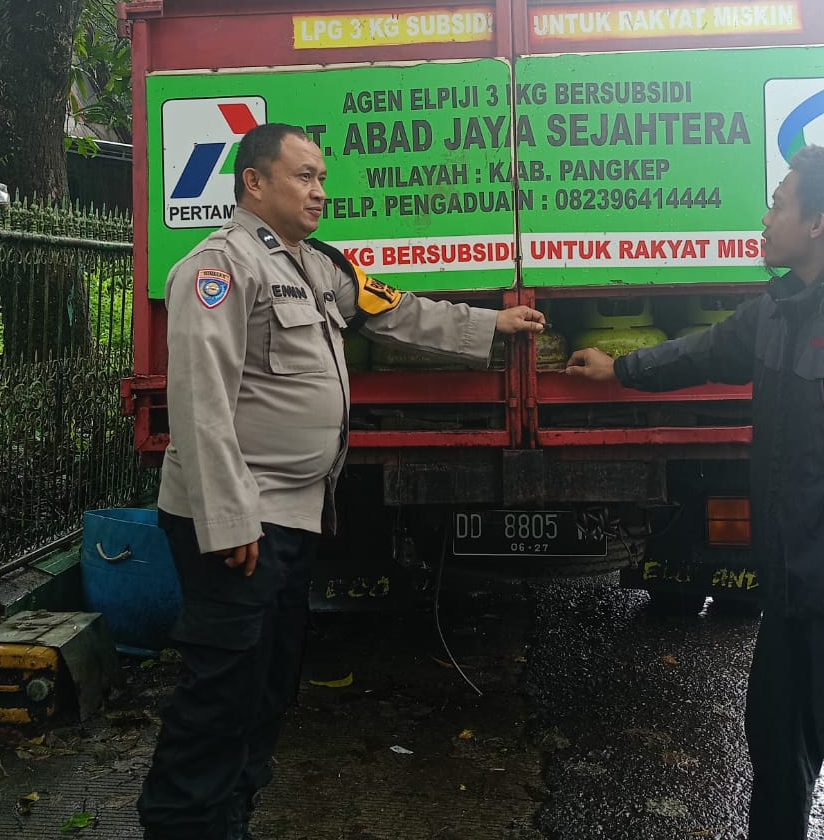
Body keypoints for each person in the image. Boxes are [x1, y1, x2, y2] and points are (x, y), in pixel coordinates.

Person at [138, 123, 545, 840]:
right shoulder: (219, 266)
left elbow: (396, 312)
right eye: (303, 176)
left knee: (267, 689)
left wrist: (490, 325)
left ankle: (228, 821)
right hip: (242, 523)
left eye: (322, 177)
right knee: (220, 695)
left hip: (290, 517)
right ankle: (182, 826)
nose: (319, 191)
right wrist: (228, 519)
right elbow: (200, 401)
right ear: (254, 182)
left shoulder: (318, 265)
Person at [566, 145, 824, 840]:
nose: (766, 219)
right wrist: (619, 368)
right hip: (792, 578)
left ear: (817, 223)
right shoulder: (785, 304)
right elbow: (705, 350)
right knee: (775, 750)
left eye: (779, 205)